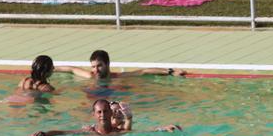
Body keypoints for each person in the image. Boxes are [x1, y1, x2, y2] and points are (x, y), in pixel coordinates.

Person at [31, 99, 181, 136]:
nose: (102, 115)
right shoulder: (89, 131)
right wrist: (45, 133)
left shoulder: (117, 132)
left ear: (111, 114)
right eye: (99, 112)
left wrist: (164, 128)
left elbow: (143, 132)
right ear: (94, 114)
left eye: (105, 112)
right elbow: (63, 133)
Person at [58, 49, 186, 80]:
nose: (95, 70)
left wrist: (170, 71)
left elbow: (143, 71)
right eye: (93, 66)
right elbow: (71, 69)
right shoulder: (89, 76)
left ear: (108, 64)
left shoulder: (117, 77)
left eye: (99, 66)